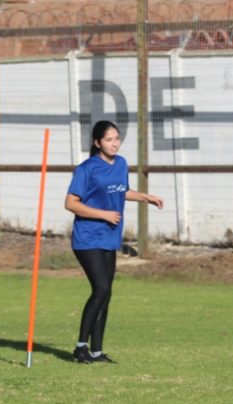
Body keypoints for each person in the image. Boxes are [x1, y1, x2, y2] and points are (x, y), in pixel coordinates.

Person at [64, 120, 163, 363]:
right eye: (109, 139)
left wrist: (145, 197)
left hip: (109, 237)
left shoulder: (121, 164)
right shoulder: (86, 168)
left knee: (106, 293)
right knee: (101, 289)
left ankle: (96, 351)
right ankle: (80, 347)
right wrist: (103, 214)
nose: (114, 143)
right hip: (87, 238)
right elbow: (71, 203)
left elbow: (120, 191)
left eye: (117, 138)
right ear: (97, 143)